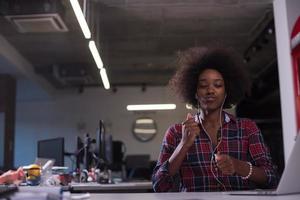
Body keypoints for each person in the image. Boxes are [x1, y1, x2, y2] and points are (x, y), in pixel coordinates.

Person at [152, 47, 278, 192]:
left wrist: (239, 166)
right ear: (194, 92)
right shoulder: (176, 133)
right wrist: (183, 145)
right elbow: (159, 186)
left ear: (226, 91)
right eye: (203, 85)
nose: (210, 90)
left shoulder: (247, 128)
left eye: (217, 85)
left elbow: (271, 178)